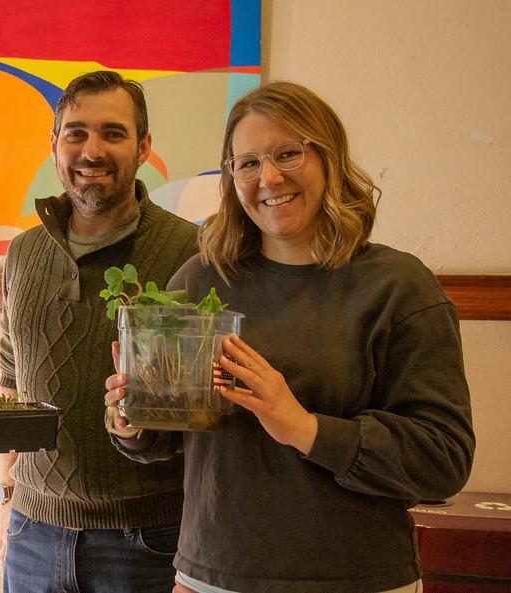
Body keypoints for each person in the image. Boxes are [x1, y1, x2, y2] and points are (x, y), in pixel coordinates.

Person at [104, 81, 475, 593]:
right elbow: (165, 438)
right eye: (248, 163)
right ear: (232, 177)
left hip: (358, 579)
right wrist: (130, 418)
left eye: (288, 153)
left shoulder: (399, 288)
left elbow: (443, 460)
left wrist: (302, 426)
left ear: (328, 158)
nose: (269, 177)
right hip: (211, 575)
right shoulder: (198, 281)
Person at [0, 70, 199, 593]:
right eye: (76, 133)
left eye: (113, 133)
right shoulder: (22, 252)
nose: (92, 149)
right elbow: (11, 378)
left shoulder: (190, 253)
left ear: (144, 147)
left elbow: (199, 417)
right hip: (31, 534)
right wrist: (5, 498)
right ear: (55, 144)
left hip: (149, 541)